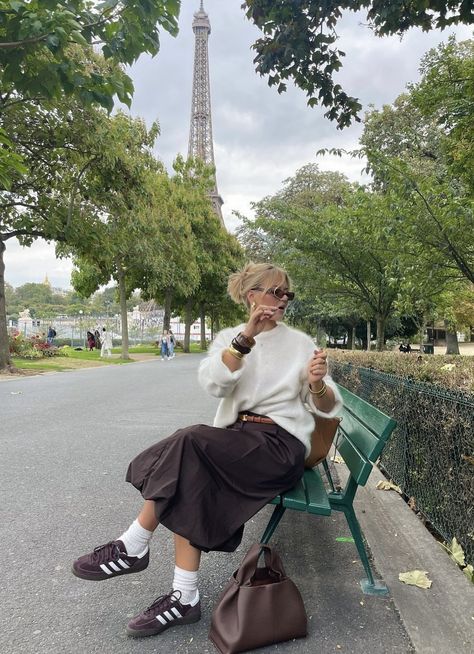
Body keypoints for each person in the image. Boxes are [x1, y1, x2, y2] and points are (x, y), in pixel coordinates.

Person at [72, 262, 343, 639]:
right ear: (252, 296)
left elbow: (329, 407)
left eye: (287, 294)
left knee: (191, 442)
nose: (282, 300)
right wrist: (247, 336)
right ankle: (185, 596)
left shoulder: (300, 344)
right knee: (189, 472)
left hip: (280, 446)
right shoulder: (232, 337)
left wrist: (316, 384)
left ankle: (134, 544)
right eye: (274, 292)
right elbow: (214, 384)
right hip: (237, 439)